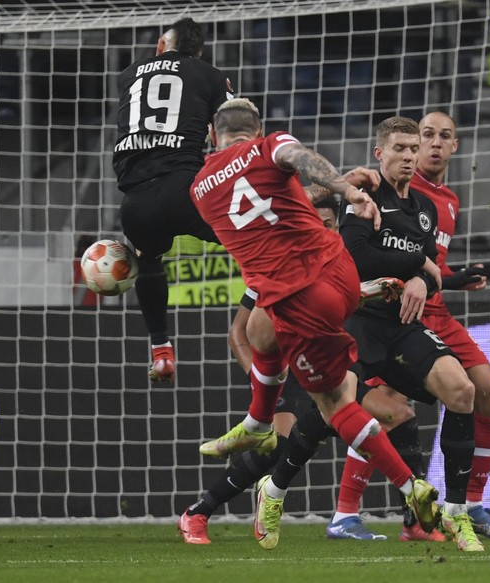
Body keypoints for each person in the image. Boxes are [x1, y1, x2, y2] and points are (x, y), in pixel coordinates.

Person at [189, 98, 438, 552]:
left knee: (332, 405)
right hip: (340, 277)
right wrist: (347, 187)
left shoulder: (201, 190)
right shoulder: (270, 147)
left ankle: (403, 487)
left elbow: (260, 205)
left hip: (300, 300)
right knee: (307, 388)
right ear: (257, 127)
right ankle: (252, 457)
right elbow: (300, 161)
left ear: (211, 134)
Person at [179, 198, 421, 544]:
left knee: (395, 414)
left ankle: (389, 519)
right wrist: (263, 384)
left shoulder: (339, 264)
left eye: (329, 223)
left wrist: (370, 290)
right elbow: (239, 334)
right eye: (316, 222)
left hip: (325, 366)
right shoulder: (277, 265)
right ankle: (198, 512)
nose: (323, 229)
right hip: (288, 373)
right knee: (275, 446)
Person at [344, 112, 490, 538]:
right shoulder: (382, 187)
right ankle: (350, 510)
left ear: (454, 146)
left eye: (444, 137)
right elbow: (369, 252)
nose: (432, 145)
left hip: (433, 307)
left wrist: (454, 277)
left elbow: (430, 266)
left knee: (489, 395)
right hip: (388, 310)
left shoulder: (445, 202)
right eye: (425, 136)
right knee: (387, 406)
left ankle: (471, 505)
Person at [113, 17, 234, 383]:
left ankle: (161, 348)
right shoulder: (209, 75)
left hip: (134, 202)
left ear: (161, 46)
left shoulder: (128, 74)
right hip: (185, 190)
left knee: (149, 257)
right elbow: (228, 130)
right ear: (197, 52)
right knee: (256, 237)